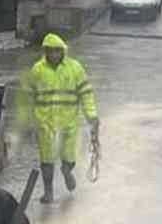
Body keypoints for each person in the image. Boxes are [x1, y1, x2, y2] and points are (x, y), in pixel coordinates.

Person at [14, 31, 99, 203]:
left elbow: (86, 93)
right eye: (50, 51)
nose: (53, 54)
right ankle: (48, 191)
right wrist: (26, 121)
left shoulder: (75, 68)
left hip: (68, 122)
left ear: (63, 51)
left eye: (57, 50)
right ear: (45, 51)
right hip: (45, 122)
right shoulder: (37, 70)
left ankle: (67, 172)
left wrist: (92, 116)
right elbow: (27, 97)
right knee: (46, 159)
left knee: (68, 157)